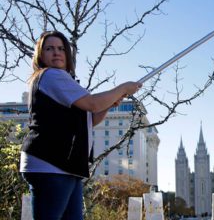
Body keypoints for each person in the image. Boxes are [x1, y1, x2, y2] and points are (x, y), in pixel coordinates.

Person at [19, 31, 142, 219]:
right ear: (40, 55)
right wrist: (123, 88)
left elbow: (89, 120)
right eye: (49, 49)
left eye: (61, 48)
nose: (56, 53)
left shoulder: (64, 81)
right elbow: (92, 103)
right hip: (50, 163)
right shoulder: (51, 75)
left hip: (66, 165)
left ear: (67, 54)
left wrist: (108, 104)